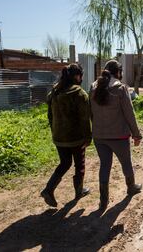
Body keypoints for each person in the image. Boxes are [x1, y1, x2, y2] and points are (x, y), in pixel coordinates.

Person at [90, 60, 142, 210]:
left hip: (99, 137)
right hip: (119, 136)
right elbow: (129, 114)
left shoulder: (94, 87)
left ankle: (103, 200)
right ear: (118, 72)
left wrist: (96, 130)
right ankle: (131, 187)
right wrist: (136, 134)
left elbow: (91, 113)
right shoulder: (120, 88)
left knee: (104, 165)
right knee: (126, 163)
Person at [41, 63, 92, 207]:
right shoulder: (79, 93)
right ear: (77, 76)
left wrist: (55, 131)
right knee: (79, 165)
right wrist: (88, 137)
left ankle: (49, 189)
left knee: (65, 163)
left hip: (59, 137)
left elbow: (50, 116)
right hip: (76, 138)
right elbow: (84, 119)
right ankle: (79, 190)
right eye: (81, 75)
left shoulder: (54, 92)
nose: (81, 78)